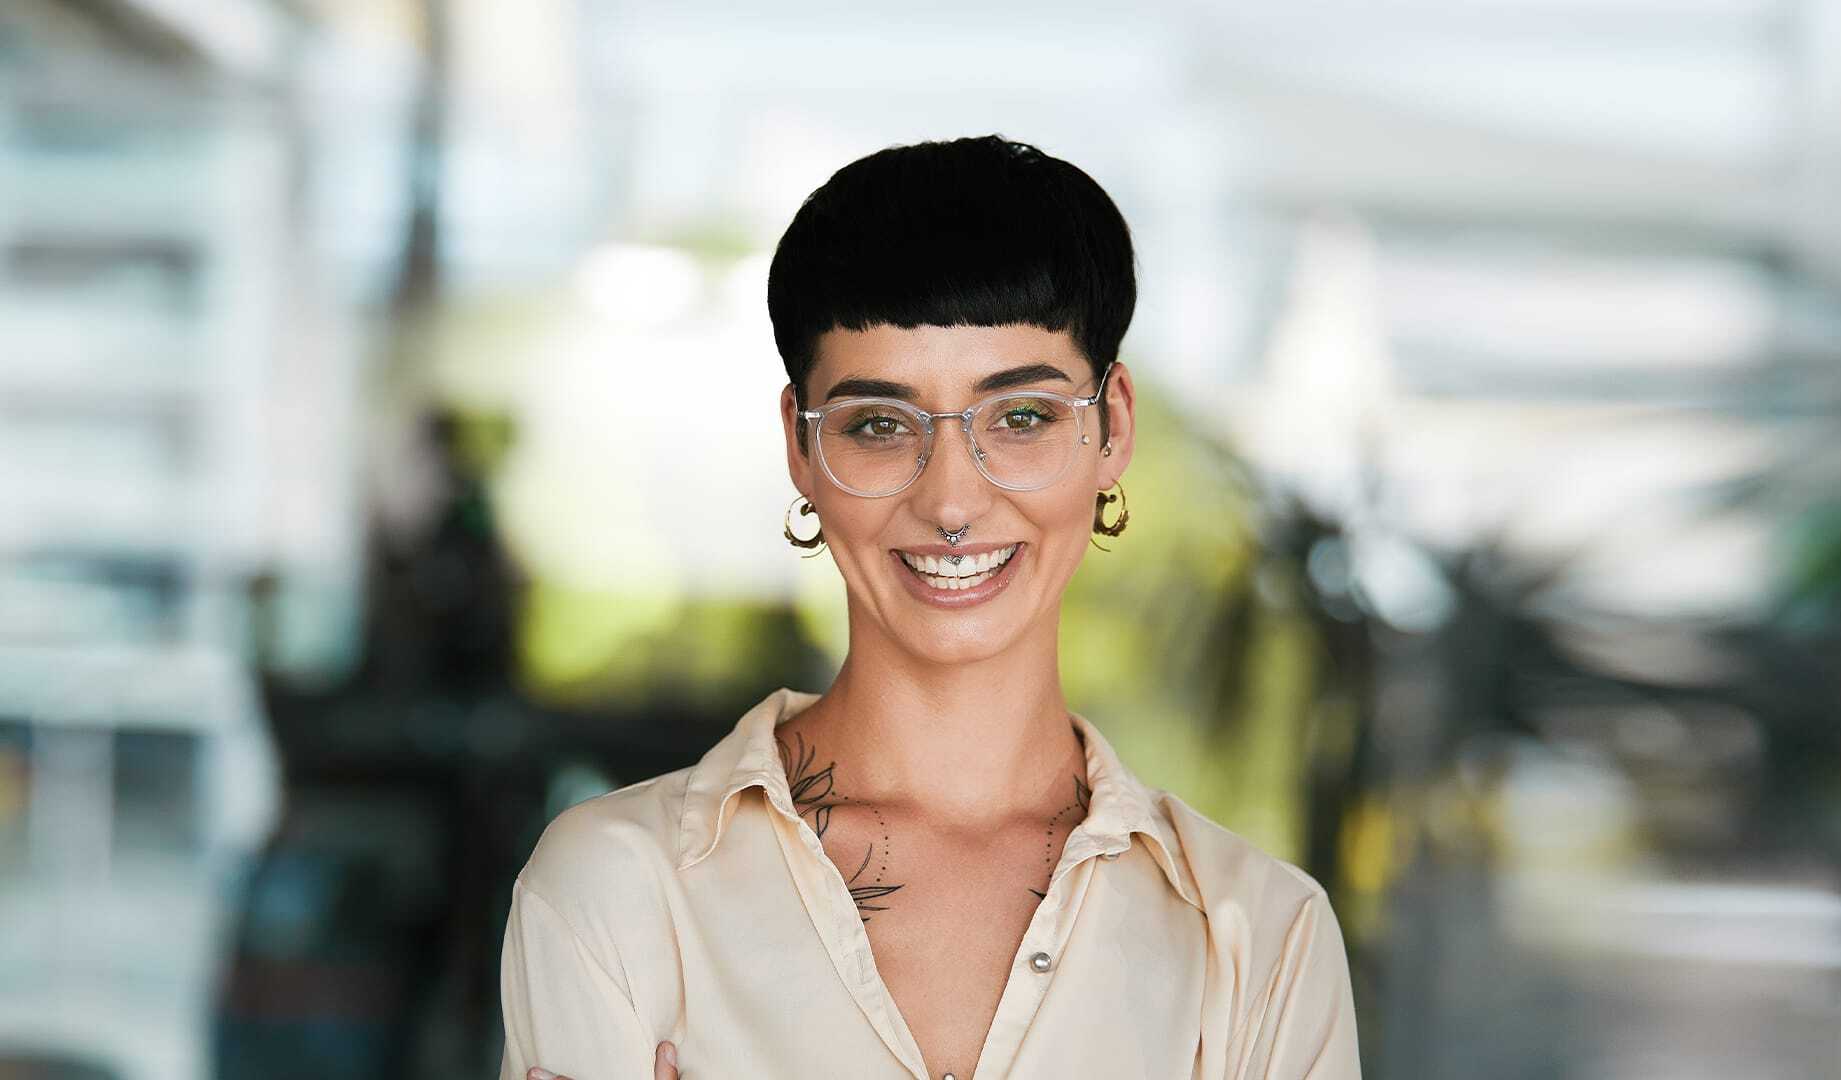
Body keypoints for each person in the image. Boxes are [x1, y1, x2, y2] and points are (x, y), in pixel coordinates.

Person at [498, 134, 1362, 1080]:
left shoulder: (1263, 940)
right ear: (800, 449)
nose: (951, 502)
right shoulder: (614, 891)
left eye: (1021, 417)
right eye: (878, 425)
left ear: (1113, 425)